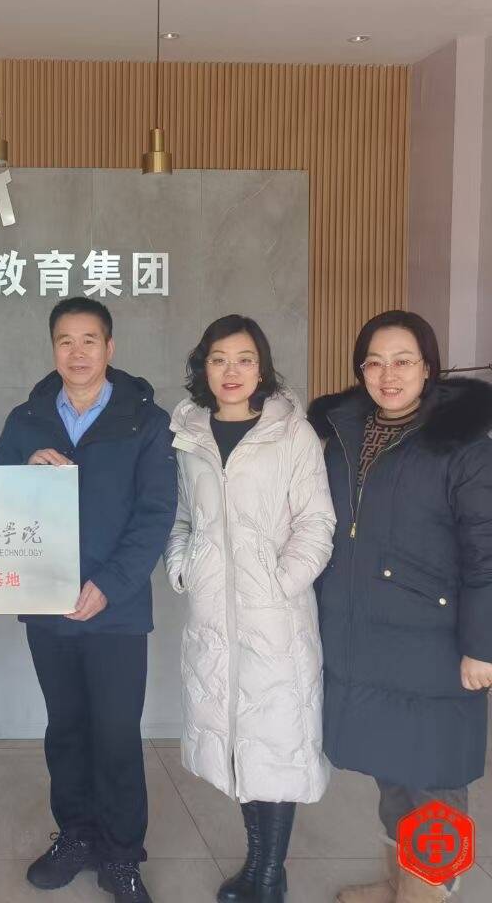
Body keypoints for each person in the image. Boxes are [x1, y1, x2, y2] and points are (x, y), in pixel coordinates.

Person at [0, 297, 177, 903]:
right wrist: (25, 467)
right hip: (47, 605)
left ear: (109, 348)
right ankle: (76, 835)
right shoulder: (27, 418)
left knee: (116, 734)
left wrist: (111, 585)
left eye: (89, 340)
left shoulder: (145, 420)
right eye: (65, 341)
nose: (77, 353)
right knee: (66, 728)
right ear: (53, 349)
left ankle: (121, 856)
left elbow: (155, 514)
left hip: (116, 609)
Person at [308, 311, 492, 903]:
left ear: (428, 367)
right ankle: (399, 883)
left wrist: (483, 645)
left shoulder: (463, 442)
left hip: (436, 643)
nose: (389, 375)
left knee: (435, 777)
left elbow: (486, 549)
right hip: (363, 633)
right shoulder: (343, 433)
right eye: (375, 362)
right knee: (392, 771)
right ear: (360, 370)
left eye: (403, 361)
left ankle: (429, 892)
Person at [165, 315, 335, 903]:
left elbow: (316, 521)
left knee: (276, 745)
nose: (231, 371)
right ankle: (260, 865)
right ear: (204, 367)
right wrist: (184, 566)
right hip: (214, 618)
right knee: (238, 746)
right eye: (219, 359)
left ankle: (267, 876)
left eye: (243, 359)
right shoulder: (189, 433)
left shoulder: (291, 433)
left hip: (275, 619)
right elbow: (182, 516)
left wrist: (281, 583)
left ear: (261, 368)